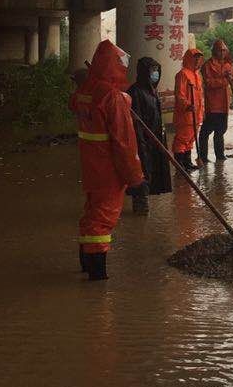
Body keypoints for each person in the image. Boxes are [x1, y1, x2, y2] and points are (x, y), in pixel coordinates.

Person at [69, 39, 147, 280]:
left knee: (92, 214)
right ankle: (96, 276)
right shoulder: (111, 97)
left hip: (91, 166)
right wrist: (136, 178)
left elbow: (77, 104)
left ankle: (85, 264)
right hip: (109, 169)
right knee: (102, 220)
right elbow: (124, 144)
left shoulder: (85, 91)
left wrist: (123, 100)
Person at [127, 55, 173, 209]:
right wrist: (141, 143)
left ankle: (144, 203)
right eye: (152, 70)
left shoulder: (153, 91)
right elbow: (135, 122)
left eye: (157, 70)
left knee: (154, 170)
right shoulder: (135, 92)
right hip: (142, 140)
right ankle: (139, 206)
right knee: (141, 171)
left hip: (155, 138)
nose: (156, 74)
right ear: (144, 72)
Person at [198, 38, 233, 162]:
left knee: (220, 131)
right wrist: (225, 80)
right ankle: (203, 157)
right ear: (214, 51)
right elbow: (209, 83)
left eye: (224, 50)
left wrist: (232, 77)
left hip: (224, 105)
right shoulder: (207, 65)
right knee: (205, 131)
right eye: (219, 50)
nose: (222, 52)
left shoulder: (228, 65)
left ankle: (220, 156)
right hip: (212, 105)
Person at [172, 47, 205, 171]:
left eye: (199, 58)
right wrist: (187, 105)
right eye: (195, 58)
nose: (197, 61)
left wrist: (202, 111)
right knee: (182, 139)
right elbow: (179, 94)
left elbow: (200, 96)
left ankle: (187, 162)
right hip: (185, 114)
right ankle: (179, 164)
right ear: (188, 59)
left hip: (196, 115)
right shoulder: (182, 74)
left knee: (191, 139)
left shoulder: (197, 74)